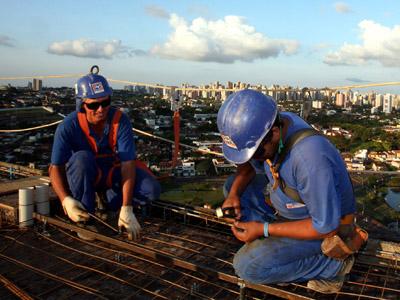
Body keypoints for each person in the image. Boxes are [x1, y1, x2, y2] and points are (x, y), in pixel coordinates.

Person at [217, 89, 359, 293]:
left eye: (256, 152)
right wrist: (233, 197)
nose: (255, 158)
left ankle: (333, 266)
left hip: (323, 226)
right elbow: (248, 166)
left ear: (274, 133)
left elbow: (326, 227)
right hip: (289, 205)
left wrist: (263, 229)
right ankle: (271, 241)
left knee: (247, 267)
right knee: (234, 186)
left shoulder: (309, 158)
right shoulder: (278, 123)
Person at [50, 66, 160, 241]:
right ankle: (86, 219)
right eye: (94, 105)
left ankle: (111, 204)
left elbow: (128, 164)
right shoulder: (68, 127)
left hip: (110, 171)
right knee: (81, 159)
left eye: (105, 102)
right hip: (85, 173)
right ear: (82, 105)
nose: (101, 109)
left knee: (151, 189)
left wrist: (127, 207)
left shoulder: (119, 121)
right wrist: (65, 199)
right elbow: (55, 167)